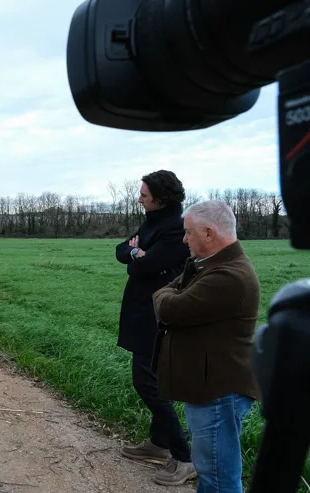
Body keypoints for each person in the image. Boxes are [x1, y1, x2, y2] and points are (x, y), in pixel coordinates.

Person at [152, 200, 260, 493]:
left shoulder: (227, 276)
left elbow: (169, 307)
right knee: (212, 471)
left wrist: (165, 295)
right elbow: (169, 293)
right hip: (211, 386)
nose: (184, 239)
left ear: (209, 233)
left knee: (218, 478)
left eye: (188, 232)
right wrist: (168, 293)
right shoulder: (212, 266)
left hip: (218, 392)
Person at [115, 170, 196, 485]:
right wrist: (136, 252)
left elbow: (147, 268)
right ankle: (159, 445)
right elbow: (122, 250)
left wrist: (137, 260)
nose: (139, 198)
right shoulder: (154, 221)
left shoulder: (176, 228)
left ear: (161, 198)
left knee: (146, 382)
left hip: (157, 315)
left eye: (144, 195)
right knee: (152, 380)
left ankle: (185, 457)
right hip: (141, 311)